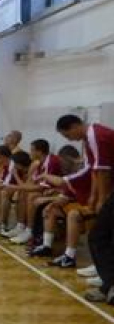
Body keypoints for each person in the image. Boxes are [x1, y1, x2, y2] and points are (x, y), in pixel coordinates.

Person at [56, 115, 114, 303]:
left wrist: (102, 199)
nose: (69, 140)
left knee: (98, 236)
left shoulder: (96, 135)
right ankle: (108, 283)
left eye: (67, 135)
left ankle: (108, 284)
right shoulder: (90, 138)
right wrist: (94, 196)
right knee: (103, 236)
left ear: (75, 126)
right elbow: (96, 171)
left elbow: (104, 171)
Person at [28, 145, 93, 269]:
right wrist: (52, 203)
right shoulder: (71, 170)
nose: (61, 164)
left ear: (69, 159)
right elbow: (66, 195)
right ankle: (46, 246)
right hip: (76, 202)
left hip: (88, 204)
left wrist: (45, 176)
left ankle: (69, 256)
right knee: (50, 209)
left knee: (73, 214)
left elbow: (62, 183)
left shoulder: (83, 170)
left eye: (62, 161)